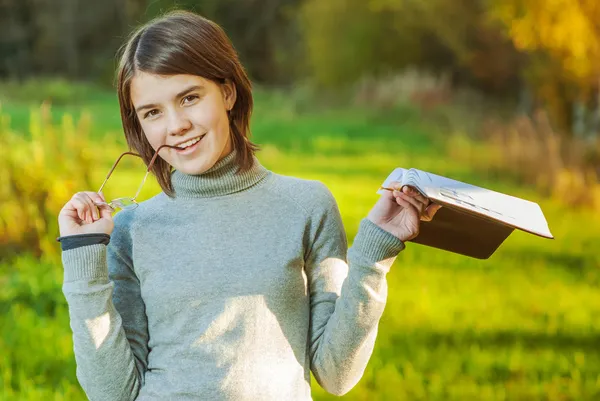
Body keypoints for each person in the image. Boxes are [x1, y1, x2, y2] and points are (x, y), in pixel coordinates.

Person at [57, 10, 441, 401]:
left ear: (227, 91)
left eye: (189, 98)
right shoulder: (132, 230)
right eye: (153, 112)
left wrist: (374, 256)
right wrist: (82, 258)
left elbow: (336, 373)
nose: (175, 126)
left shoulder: (306, 205)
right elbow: (113, 394)